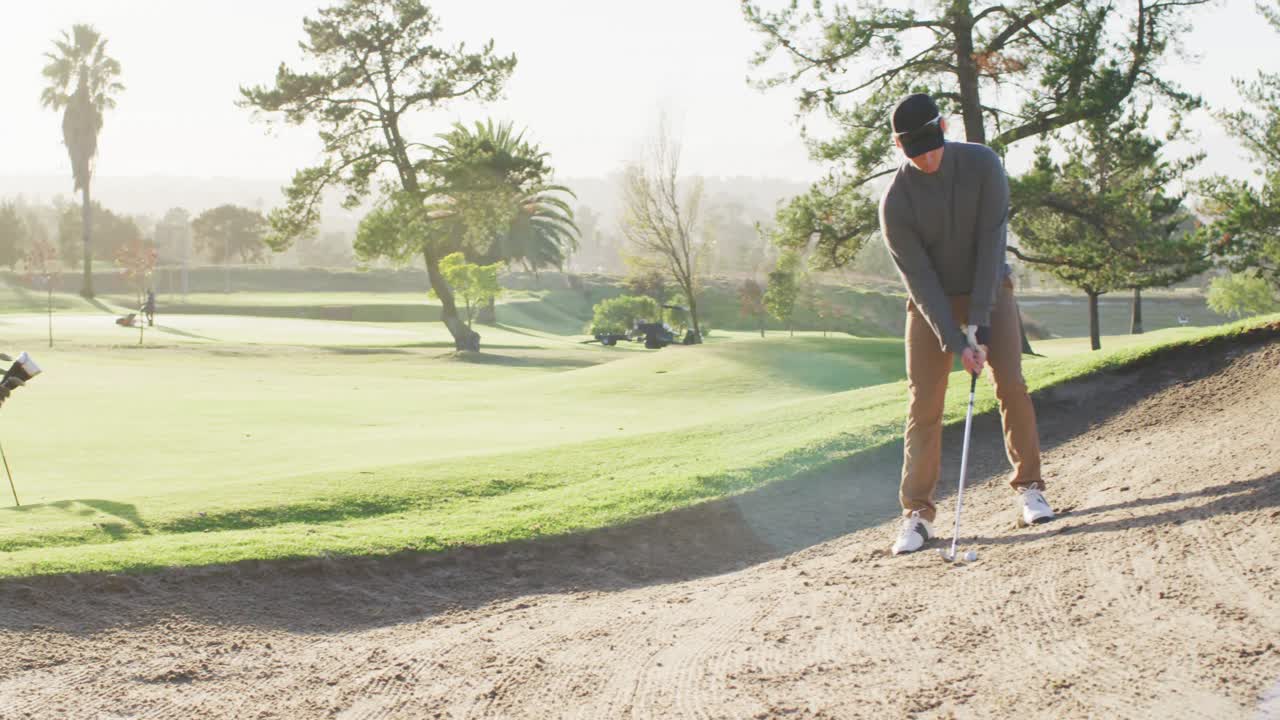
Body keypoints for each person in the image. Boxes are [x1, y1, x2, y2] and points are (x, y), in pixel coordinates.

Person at [878, 93, 1054, 555]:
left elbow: (990, 246)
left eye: (933, 147)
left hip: (989, 287)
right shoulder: (895, 203)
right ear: (899, 147)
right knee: (925, 402)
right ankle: (917, 514)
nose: (929, 159)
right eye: (917, 153)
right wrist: (957, 341)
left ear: (946, 127)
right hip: (931, 303)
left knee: (1011, 382)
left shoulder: (983, 165)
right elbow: (921, 281)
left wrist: (978, 323)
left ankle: (1030, 489)